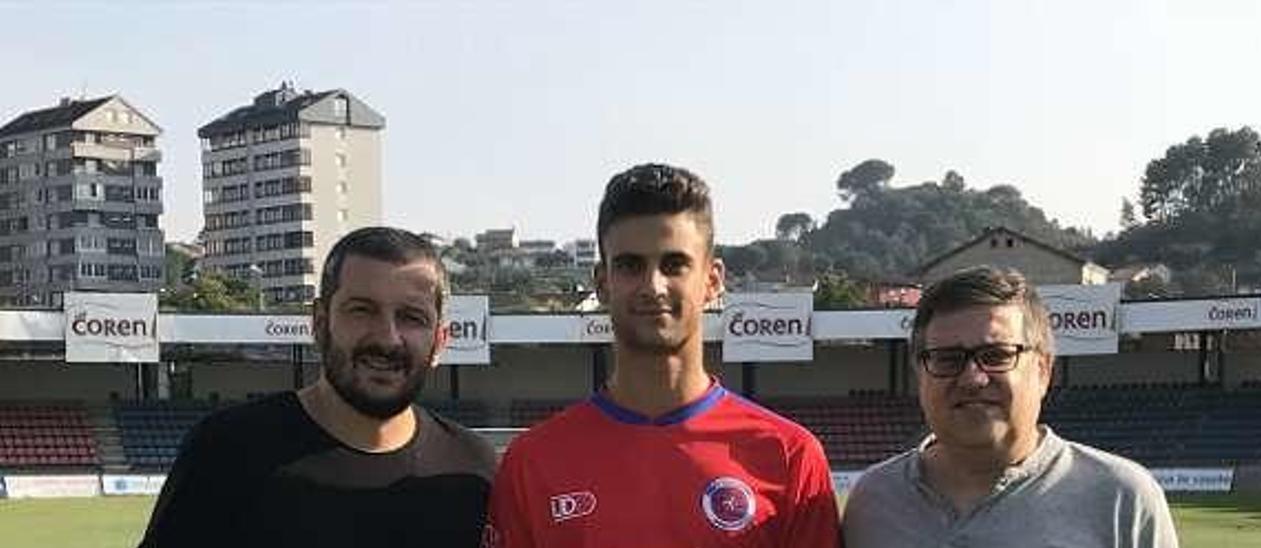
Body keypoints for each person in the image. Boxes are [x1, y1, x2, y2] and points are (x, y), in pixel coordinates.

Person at [484, 163, 842, 547]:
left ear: (712, 280)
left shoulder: (789, 457)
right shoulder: (532, 463)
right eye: (630, 266)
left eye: (674, 265)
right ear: (602, 283)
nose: (653, 286)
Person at [140, 227, 496, 548]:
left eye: (411, 318)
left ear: (439, 341)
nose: (388, 338)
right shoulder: (227, 451)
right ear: (320, 323)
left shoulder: (474, 468)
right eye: (362, 310)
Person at [842, 266, 1178, 547]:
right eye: (947, 359)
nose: (973, 378)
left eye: (997, 356)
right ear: (920, 374)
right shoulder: (873, 502)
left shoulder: (1122, 499)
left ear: (1043, 371)